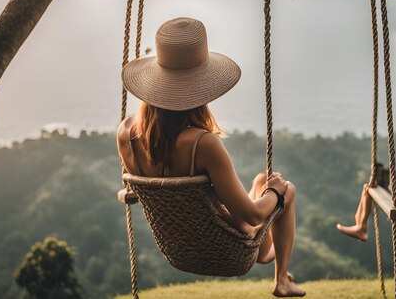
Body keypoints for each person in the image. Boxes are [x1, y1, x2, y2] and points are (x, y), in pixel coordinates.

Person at [116, 17, 305, 297]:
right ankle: (282, 281)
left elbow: (134, 188)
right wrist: (275, 194)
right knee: (284, 188)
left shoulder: (126, 132)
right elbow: (252, 216)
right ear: (201, 88)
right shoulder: (202, 143)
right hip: (227, 247)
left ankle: (268, 251)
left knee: (261, 179)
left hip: (179, 248)